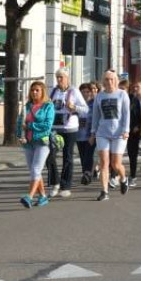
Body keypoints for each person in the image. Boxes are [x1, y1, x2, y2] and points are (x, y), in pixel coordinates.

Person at [88, 69, 131, 202]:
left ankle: (124, 178)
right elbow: (95, 115)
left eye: (112, 79)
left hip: (119, 133)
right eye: (106, 79)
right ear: (103, 81)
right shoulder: (100, 96)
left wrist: (126, 130)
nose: (109, 82)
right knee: (104, 163)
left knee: (116, 164)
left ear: (116, 81)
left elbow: (126, 114)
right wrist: (93, 132)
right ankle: (104, 191)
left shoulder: (122, 94)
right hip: (102, 133)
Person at [47, 69, 87, 199]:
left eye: (61, 77)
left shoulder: (74, 91)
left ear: (67, 78)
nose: (59, 80)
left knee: (67, 157)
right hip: (54, 128)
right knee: (50, 156)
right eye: (57, 77)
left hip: (70, 128)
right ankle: (55, 183)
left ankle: (66, 186)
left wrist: (74, 107)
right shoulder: (53, 91)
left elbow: (86, 110)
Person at [17, 80, 55, 208]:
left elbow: (47, 126)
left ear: (42, 91)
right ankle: (43, 196)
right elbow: (19, 121)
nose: (34, 92)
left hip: (42, 142)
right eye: (32, 90)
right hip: (28, 143)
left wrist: (30, 126)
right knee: (34, 172)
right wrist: (19, 135)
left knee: (36, 169)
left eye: (37, 90)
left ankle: (29, 196)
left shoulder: (48, 106)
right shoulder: (27, 106)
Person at [126, 80, 141, 188]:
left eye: (138, 87)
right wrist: (135, 125)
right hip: (134, 130)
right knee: (132, 153)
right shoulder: (131, 99)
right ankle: (132, 176)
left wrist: (139, 124)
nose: (135, 89)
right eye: (134, 87)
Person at [76, 83, 96, 185]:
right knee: (83, 156)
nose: (85, 94)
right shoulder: (77, 105)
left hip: (90, 135)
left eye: (87, 91)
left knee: (89, 155)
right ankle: (86, 173)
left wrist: (94, 134)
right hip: (79, 135)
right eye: (83, 92)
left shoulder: (94, 104)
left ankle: (87, 174)